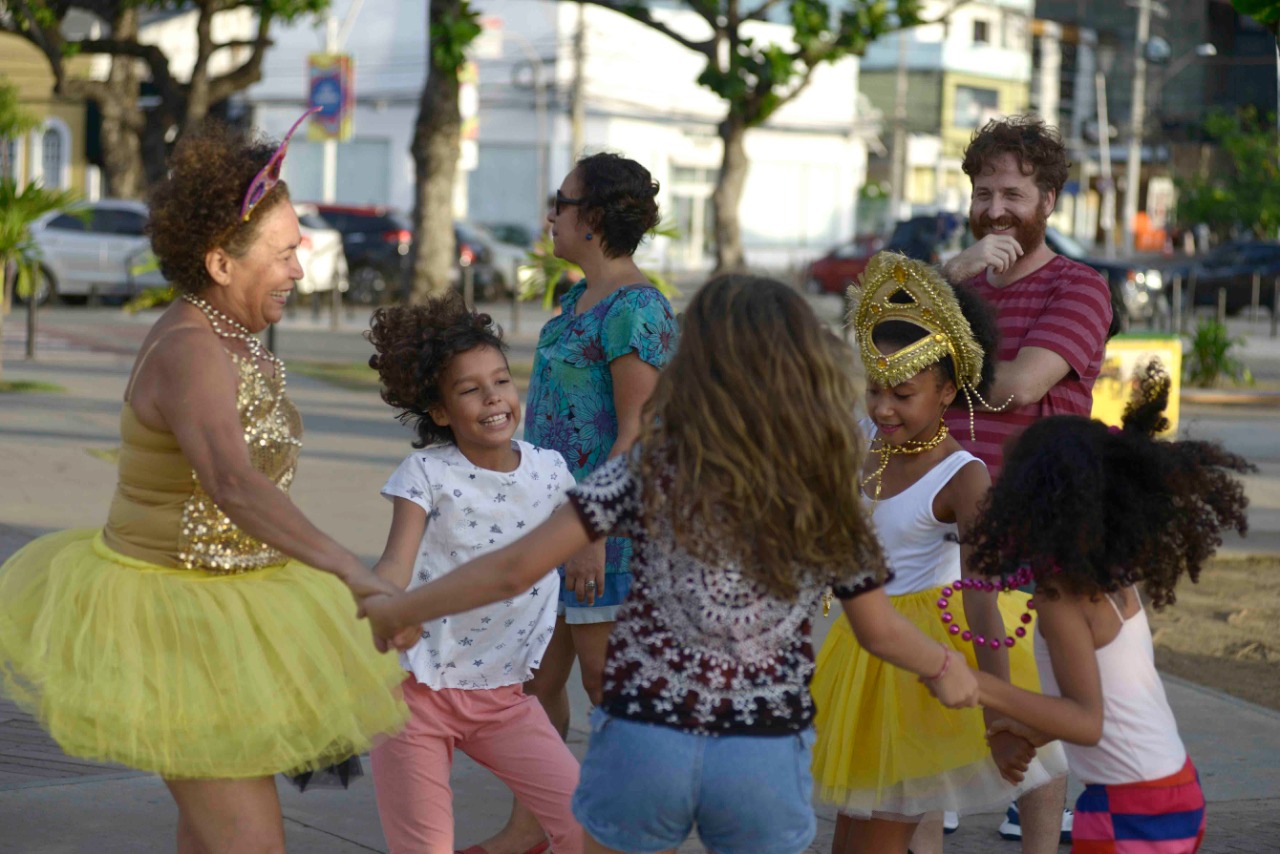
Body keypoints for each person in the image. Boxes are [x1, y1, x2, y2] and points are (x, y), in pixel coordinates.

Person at [361, 274, 980, 854]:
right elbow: (878, 629)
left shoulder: (650, 467)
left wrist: (402, 608)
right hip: (759, 747)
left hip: (643, 737)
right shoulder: (819, 489)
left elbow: (514, 569)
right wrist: (944, 667)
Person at [0, 115, 408, 852]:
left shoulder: (227, 335)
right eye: (284, 253)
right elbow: (233, 484)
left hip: (231, 611)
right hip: (172, 622)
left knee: (213, 838)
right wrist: (354, 571)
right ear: (221, 263)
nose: (298, 269)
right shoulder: (194, 349)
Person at [811, 254, 1068, 854]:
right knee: (849, 838)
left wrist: (998, 713)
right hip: (858, 652)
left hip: (923, 671)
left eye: (902, 394)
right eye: (873, 389)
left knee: (879, 838)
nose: (881, 408)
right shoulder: (865, 439)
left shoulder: (962, 477)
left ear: (948, 389)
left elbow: (984, 605)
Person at [961, 362, 1251, 853]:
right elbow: (1107, 706)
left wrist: (982, 686)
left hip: (1132, 809)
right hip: (1172, 786)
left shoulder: (1061, 599)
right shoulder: (1110, 576)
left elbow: (1087, 720)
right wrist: (1027, 728)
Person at [478, 152, 678, 854]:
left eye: (560, 202)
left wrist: (594, 529)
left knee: (608, 688)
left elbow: (640, 434)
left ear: (592, 219)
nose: (550, 214)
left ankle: (622, 835)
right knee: (534, 685)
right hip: (550, 526)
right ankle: (535, 826)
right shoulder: (575, 300)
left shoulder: (636, 310)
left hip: (606, 533)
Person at [940, 115, 1114, 849]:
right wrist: (950, 280)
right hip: (937, 519)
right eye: (983, 193)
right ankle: (939, 795)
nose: (996, 209)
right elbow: (883, 362)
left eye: (1013, 192)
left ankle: (1038, 831)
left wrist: (935, 371)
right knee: (943, 691)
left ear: (1048, 200)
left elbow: (1015, 386)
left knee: (1024, 704)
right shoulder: (957, 282)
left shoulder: (1078, 287)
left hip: (1032, 527)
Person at [362, 296, 583, 854]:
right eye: (469, 389)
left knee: (587, 827)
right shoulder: (426, 473)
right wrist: (379, 607)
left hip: (504, 698)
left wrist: (594, 547)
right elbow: (395, 562)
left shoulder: (552, 471)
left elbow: (592, 526)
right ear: (439, 412)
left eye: (502, 381)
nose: (494, 398)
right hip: (414, 696)